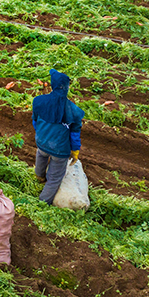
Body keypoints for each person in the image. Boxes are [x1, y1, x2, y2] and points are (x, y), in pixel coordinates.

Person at [32, 70, 84, 204]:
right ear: (67, 88)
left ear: (52, 85)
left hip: (42, 142)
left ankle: (39, 175)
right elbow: (74, 134)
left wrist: (41, 134)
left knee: (41, 155)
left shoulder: (39, 101)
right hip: (60, 149)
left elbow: (35, 121)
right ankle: (42, 203)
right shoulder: (74, 110)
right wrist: (75, 151)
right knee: (55, 178)